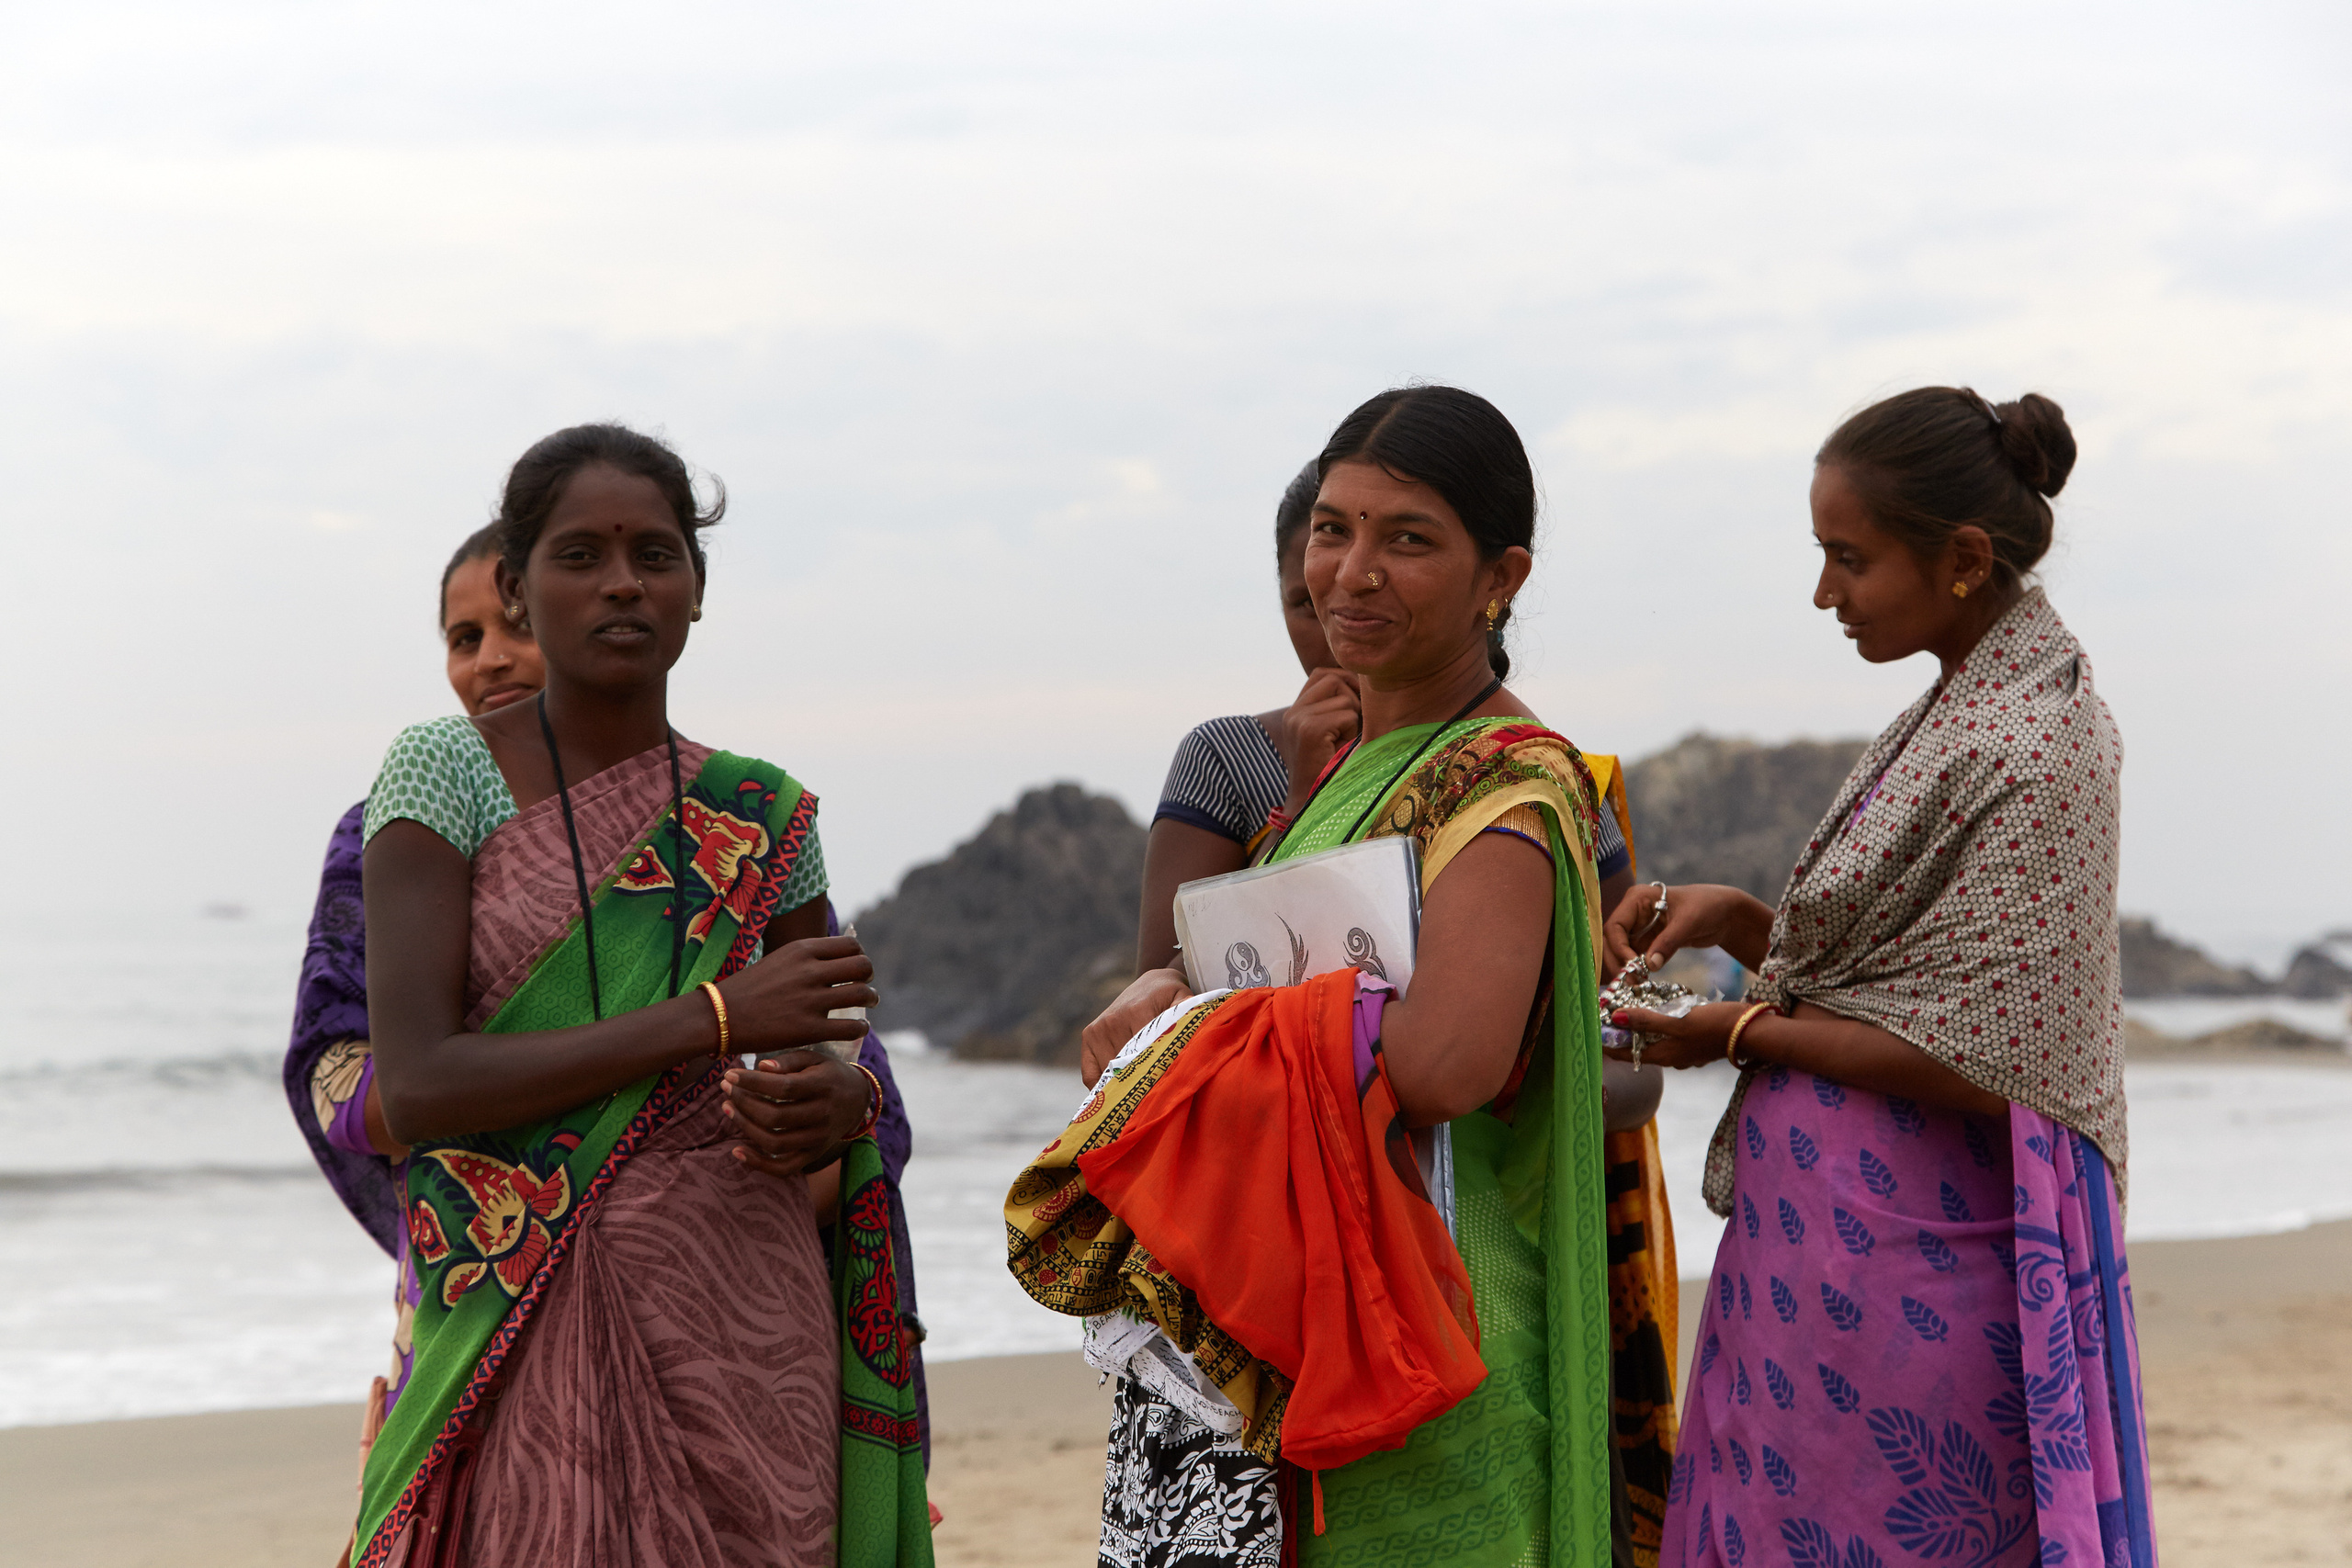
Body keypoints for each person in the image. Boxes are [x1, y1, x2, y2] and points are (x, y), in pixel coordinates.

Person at [1012, 387, 1678, 1568]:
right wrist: (1162, 990)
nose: (1351, 572)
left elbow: (1442, 1063)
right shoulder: (1349, 768)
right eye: (1333, 529)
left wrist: (1192, 1024)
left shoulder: (1507, 791)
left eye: (1406, 538)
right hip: (1308, 1325)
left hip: (1429, 1342)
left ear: (1500, 576)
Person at [346, 424, 932, 1567]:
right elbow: (417, 1087)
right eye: (580, 555)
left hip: (744, 1319)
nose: (622, 582)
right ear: (517, 588)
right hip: (511, 1310)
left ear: (698, 590)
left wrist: (833, 1105)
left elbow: (835, 1061)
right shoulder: (441, 772)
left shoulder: (764, 815)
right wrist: (714, 1022)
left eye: (655, 555)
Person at [1606, 389, 2155, 1568]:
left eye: (1847, 559)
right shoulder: (1959, 710)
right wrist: (1746, 921)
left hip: (1918, 1276)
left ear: (1962, 559)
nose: (1824, 593)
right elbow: (1900, 977)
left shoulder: (2039, 737)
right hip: (1824, 1265)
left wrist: (1738, 1032)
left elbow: (1985, 1055)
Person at [1136, 461, 1634, 975]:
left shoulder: (1523, 771)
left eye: (1409, 542)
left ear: (1495, 580)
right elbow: (1160, 1005)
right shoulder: (1229, 757)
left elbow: (1617, 1002)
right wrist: (1302, 805)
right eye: (1303, 603)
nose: (1350, 593)